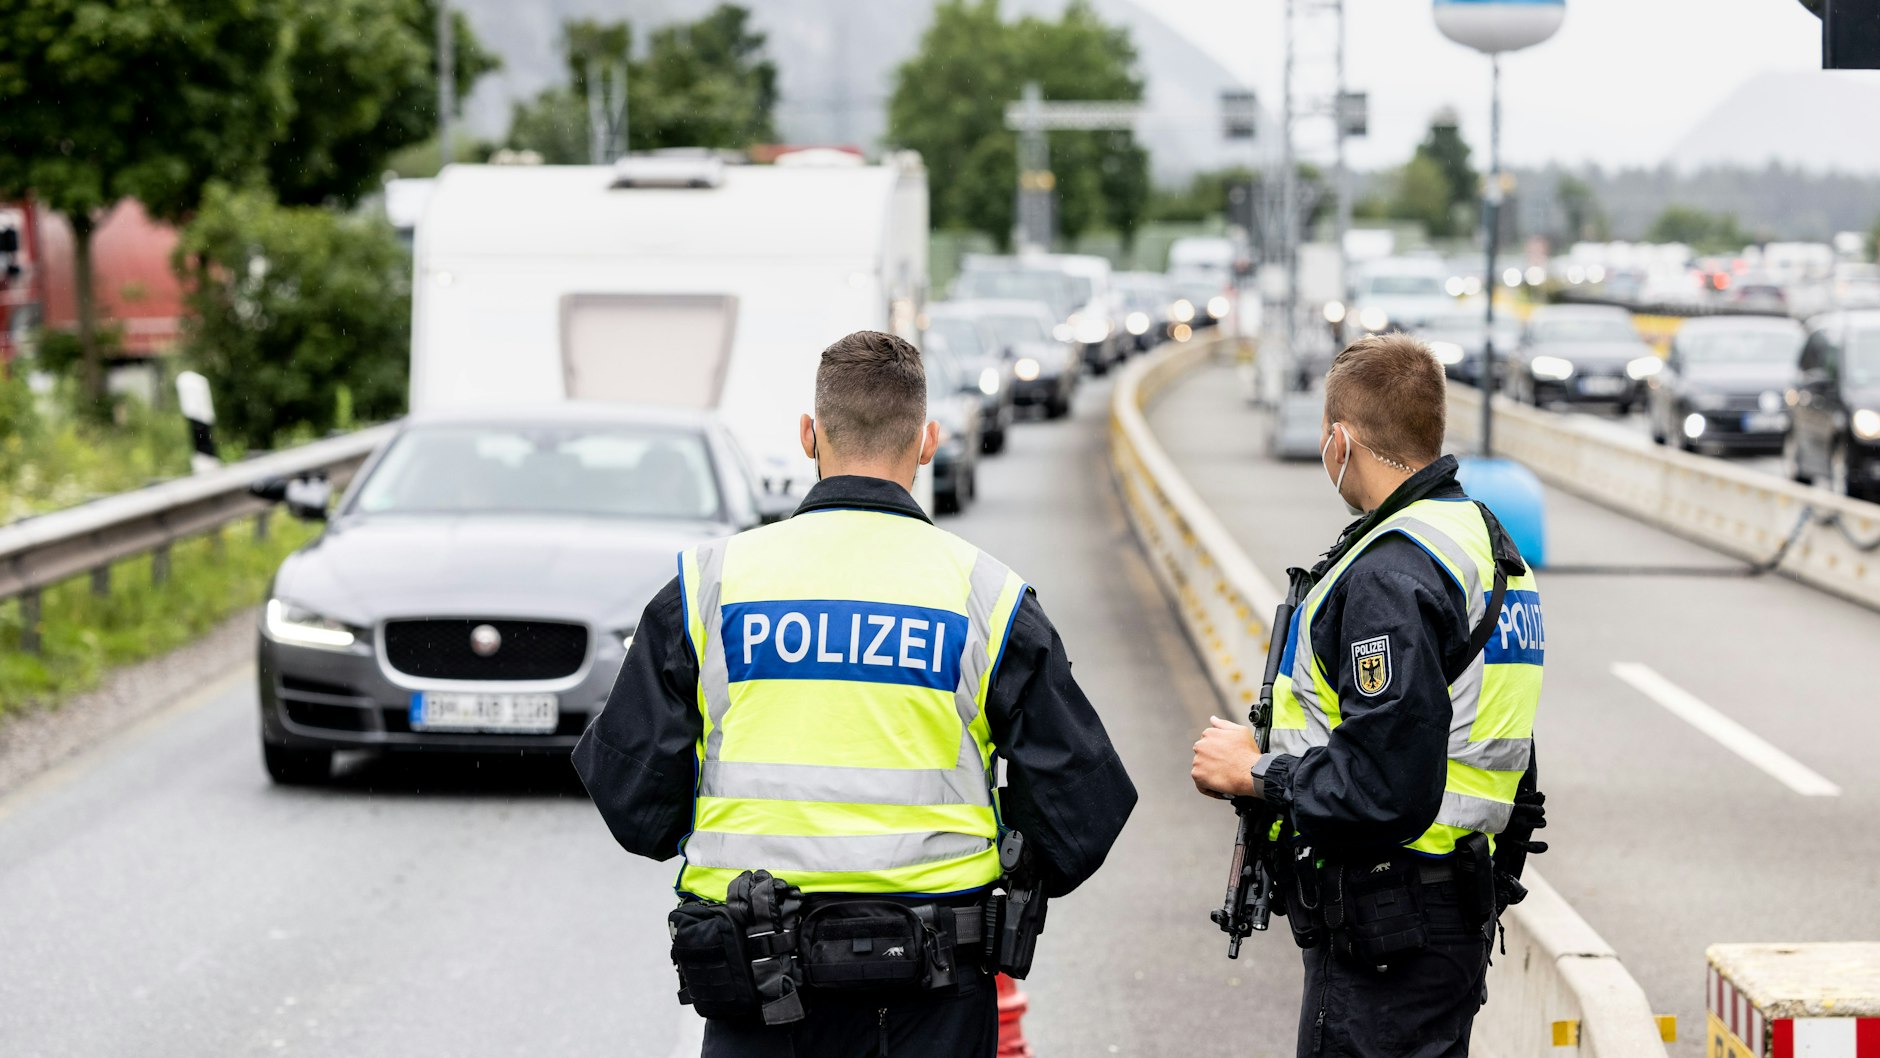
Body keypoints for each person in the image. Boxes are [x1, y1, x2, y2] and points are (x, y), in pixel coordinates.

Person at [575, 330, 1136, 1058]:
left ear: (810, 435)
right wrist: (1001, 870)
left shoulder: (711, 585)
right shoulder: (986, 598)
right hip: (932, 990)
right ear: (928, 440)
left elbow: (632, 800)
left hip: (760, 984)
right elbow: (1083, 804)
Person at [1190, 333, 1547, 1058]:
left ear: (1341, 441)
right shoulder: (1486, 546)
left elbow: (1384, 784)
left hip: (1391, 924)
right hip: (1453, 907)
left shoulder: (1392, 572)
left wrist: (1254, 771)